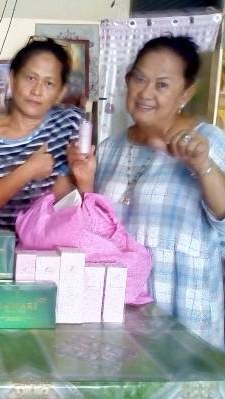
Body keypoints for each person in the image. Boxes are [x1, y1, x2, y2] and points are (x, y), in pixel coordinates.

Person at [69, 36, 225, 349]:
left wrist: (202, 165)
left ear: (186, 92)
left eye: (162, 84)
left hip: (186, 312)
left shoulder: (208, 142)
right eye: (139, 79)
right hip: (122, 315)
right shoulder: (110, 148)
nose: (146, 93)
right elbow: (99, 232)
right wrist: (84, 183)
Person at [0, 39, 82, 229]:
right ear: (13, 79)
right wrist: (28, 170)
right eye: (30, 78)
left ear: (61, 92)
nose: (37, 91)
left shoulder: (69, 123)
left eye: (49, 83)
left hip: (48, 245)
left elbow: (69, 198)